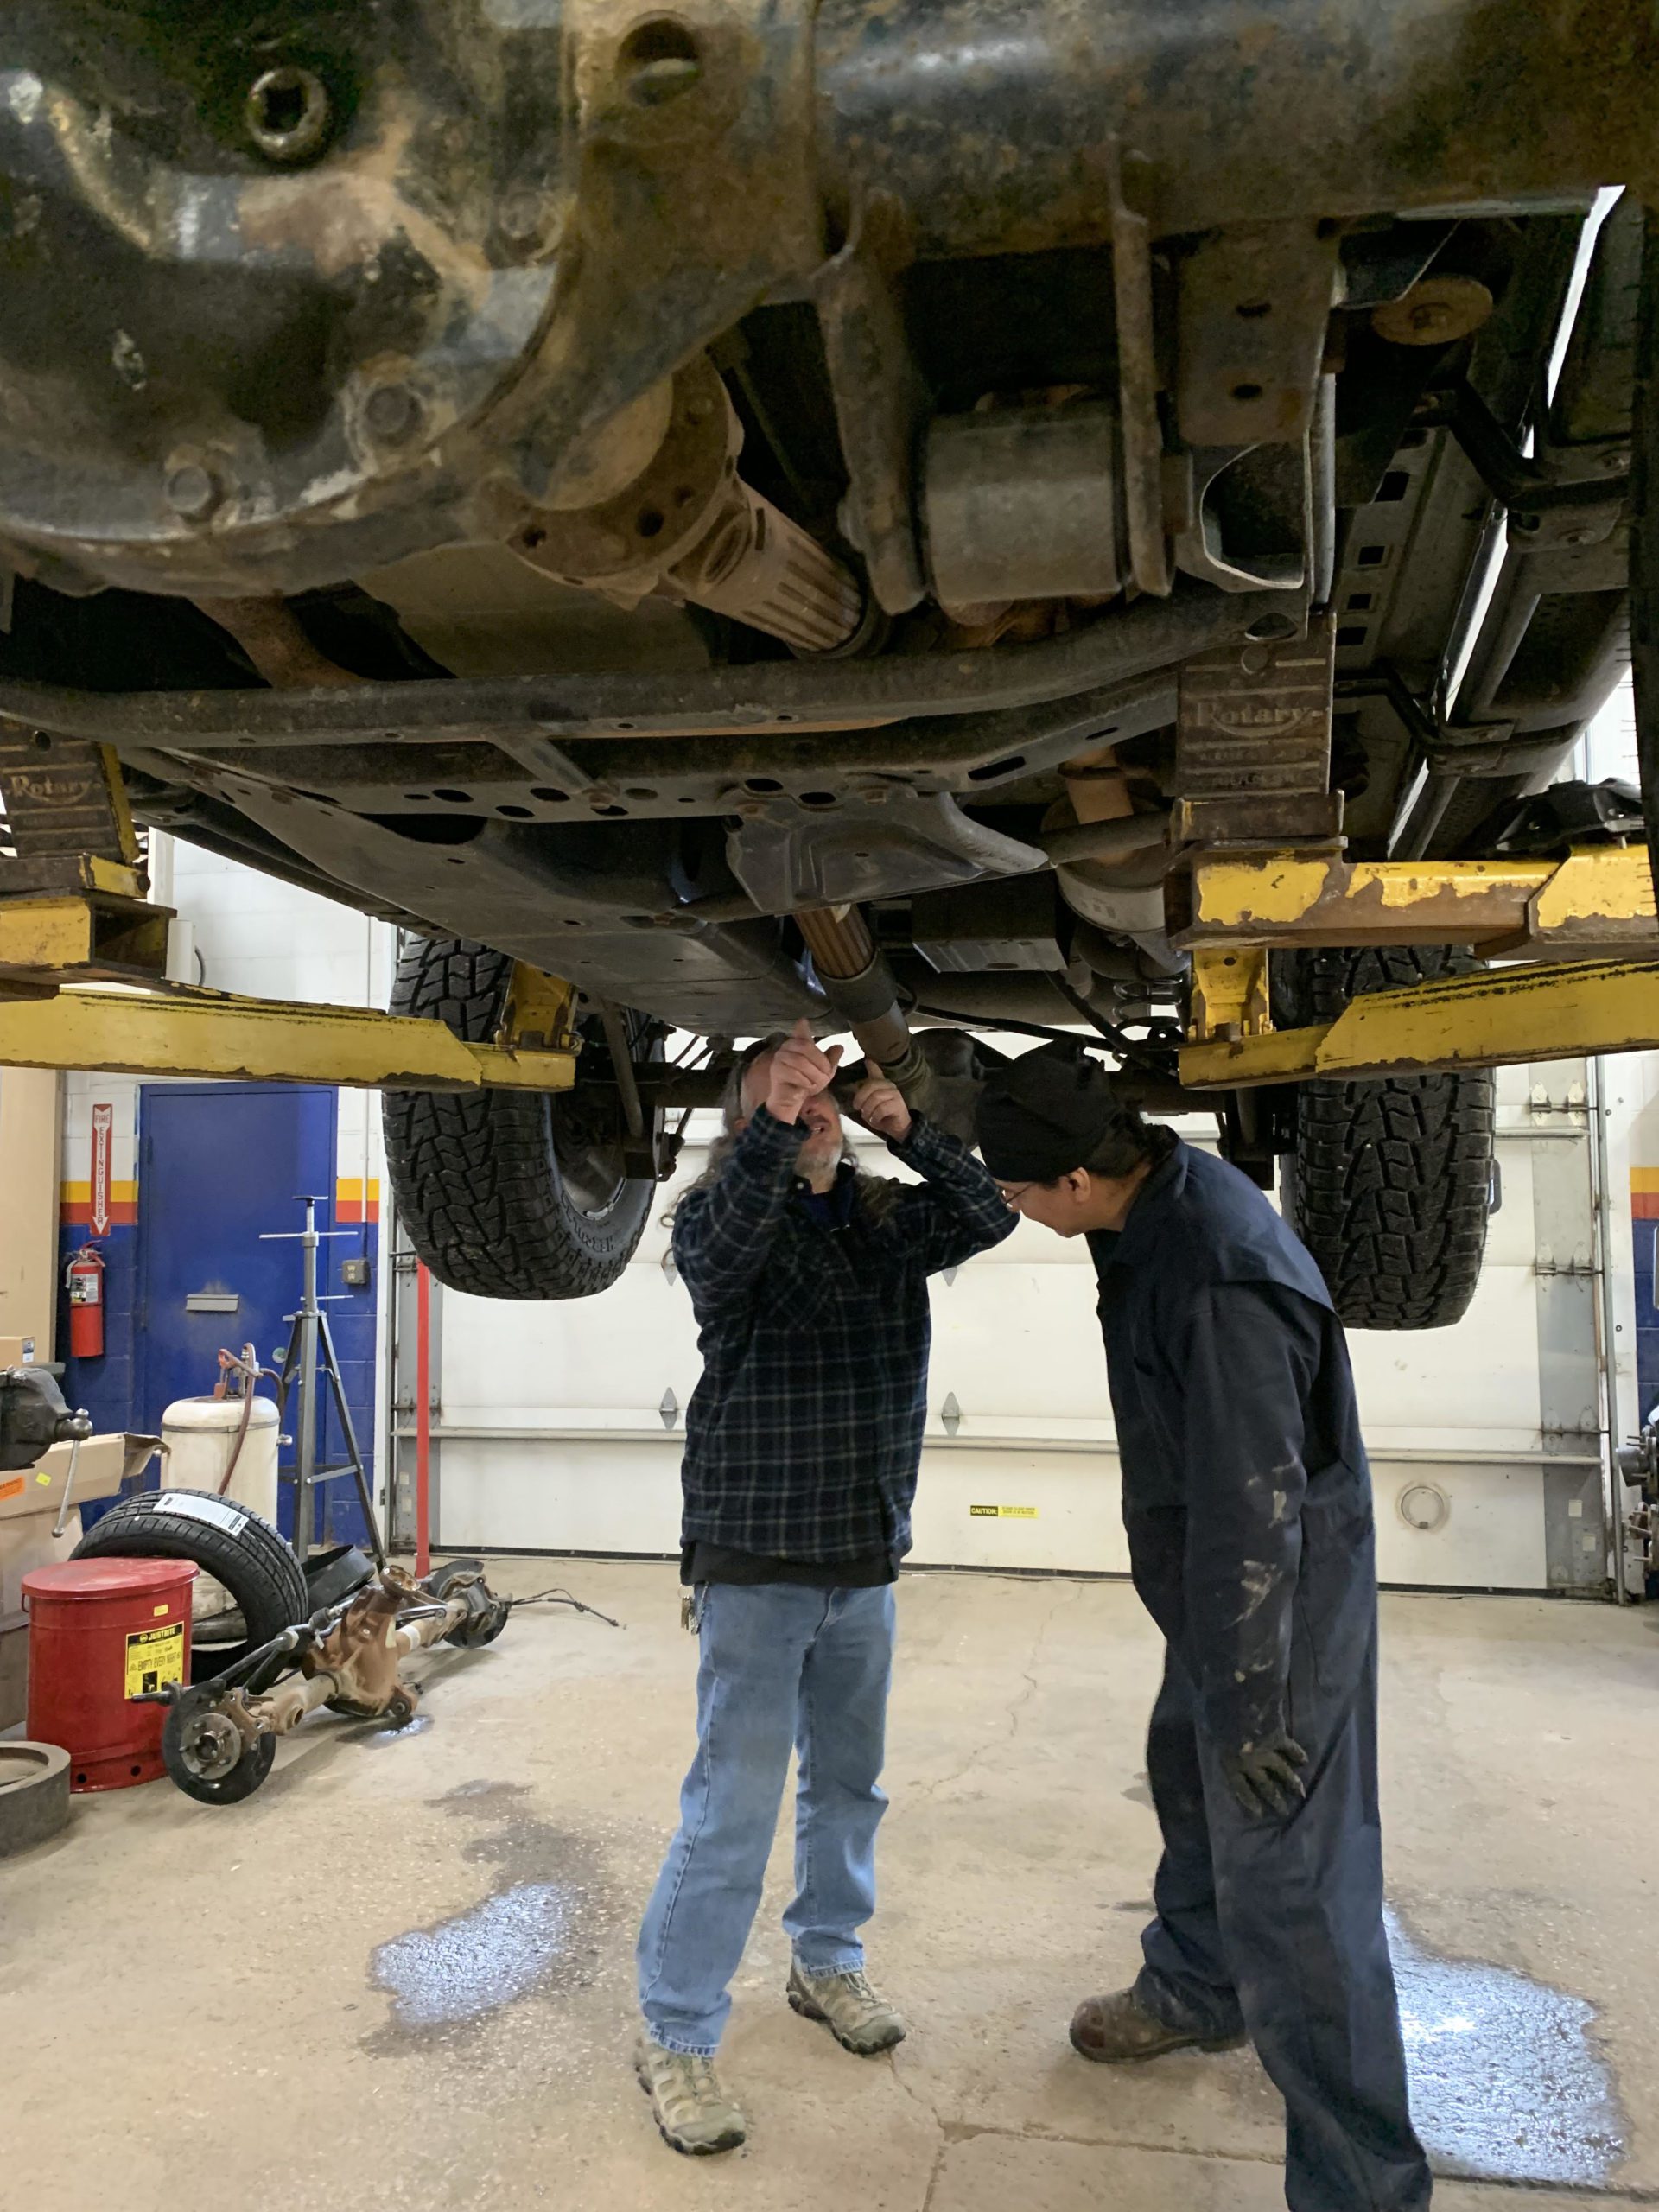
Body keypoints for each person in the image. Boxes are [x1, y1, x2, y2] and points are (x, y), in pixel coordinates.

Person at [974, 1043, 1431, 2212]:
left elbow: (1254, 1504)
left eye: (1022, 1192)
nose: (1017, 1210)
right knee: (1187, 1763)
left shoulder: (1218, 1276)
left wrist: (1249, 1697)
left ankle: (1364, 2188)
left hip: (1275, 1592)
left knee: (1293, 1883)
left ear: (1080, 1178)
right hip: (1220, 1578)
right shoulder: (1148, 1206)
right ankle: (1197, 1987)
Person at [635, 1019, 1015, 2157]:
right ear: (743, 1122)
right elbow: (722, 1251)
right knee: (733, 1809)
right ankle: (677, 2029)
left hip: (862, 1559)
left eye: (821, 1095)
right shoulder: (715, 1218)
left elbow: (990, 1216)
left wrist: (913, 1129)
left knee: (850, 1786)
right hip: (756, 1558)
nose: (814, 1109)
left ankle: (827, 1963)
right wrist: (766, 1126)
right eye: (782, 1094)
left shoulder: (882, 1216)